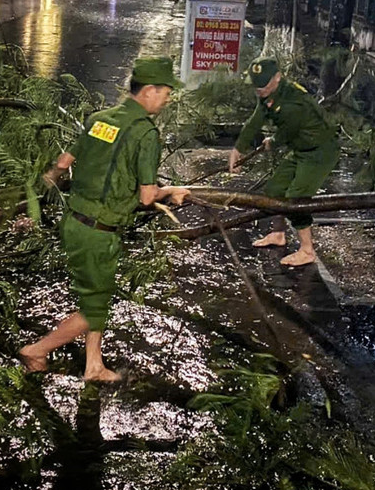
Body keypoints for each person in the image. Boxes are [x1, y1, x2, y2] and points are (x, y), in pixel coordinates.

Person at [19, 57, 190, 382]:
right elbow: (146, 196)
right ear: (150, 91)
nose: (168, 99)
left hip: (74, 222)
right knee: (95, 308)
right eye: (166, 92)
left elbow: (64, 160)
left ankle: (93, 365)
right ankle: (37, 350)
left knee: (96, 295)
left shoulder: (100, 119)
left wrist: (40, 188)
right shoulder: (145, 134)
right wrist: (172, 191)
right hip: (99, 232)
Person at [228, 58, 340, 267]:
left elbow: (287, 133)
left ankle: (307, 250)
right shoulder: (268, 93)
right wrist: (238, 149)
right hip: (301, 149)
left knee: (296, 197)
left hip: (320, 152)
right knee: (275, 188)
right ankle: (278, 234)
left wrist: (273, 141)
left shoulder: (292, 102)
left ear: (277, 78)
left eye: (264, 85)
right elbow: (256, 119)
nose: (259, 90)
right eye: (256, 85)